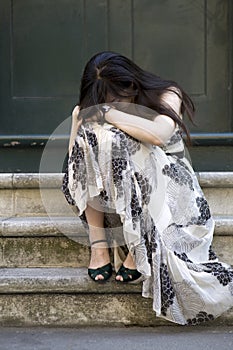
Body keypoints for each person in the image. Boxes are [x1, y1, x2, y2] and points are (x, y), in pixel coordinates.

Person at [62, 51, 233, 325]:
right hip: (117, 194)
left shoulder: (168, 94)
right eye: (103, 100)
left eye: (117, 97)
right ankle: (99, 246)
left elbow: (158, 135)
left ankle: (137, 248)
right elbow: (75, 167)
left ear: (132, 84)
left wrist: (108, 114)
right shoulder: (87, 111)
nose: (111, 104)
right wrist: (82, 122)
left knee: (116, 141)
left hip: (167, 187)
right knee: (93, 141)